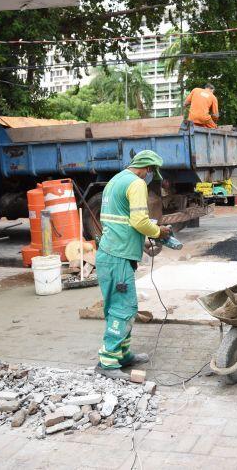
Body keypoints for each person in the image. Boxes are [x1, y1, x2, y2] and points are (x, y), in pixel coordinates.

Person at [95, 150, 173, 380]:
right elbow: (139, 220)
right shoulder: (136, 184)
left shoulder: (115, 180)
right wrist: (159, 231)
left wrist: (140, 243)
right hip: (117, 258)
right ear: (147, 169)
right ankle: (108, 362)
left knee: (117, 306)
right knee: (124, 308)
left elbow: (120, 221)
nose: (149, 176)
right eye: (151, 172)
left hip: (110, 254)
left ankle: (122, 354)